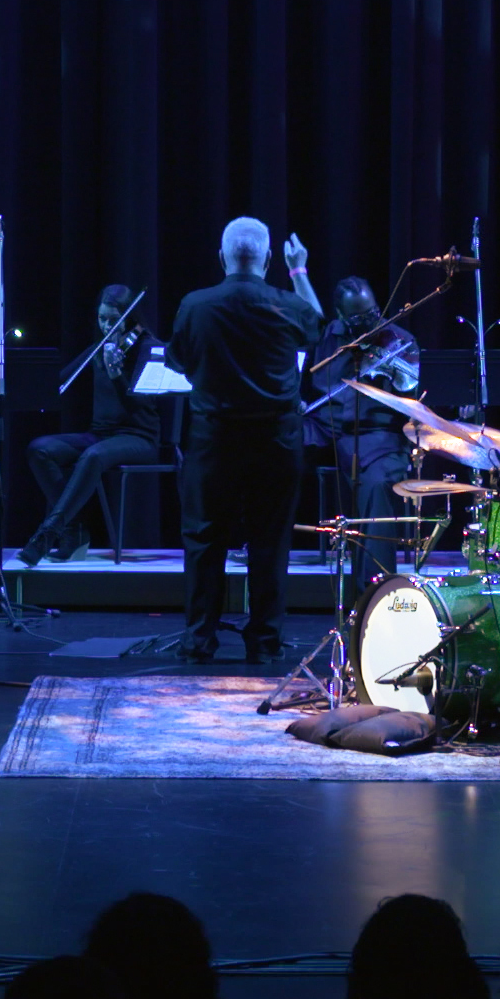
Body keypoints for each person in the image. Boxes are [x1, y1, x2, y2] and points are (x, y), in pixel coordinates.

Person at [167, 217, 322, 664]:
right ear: (270, 260)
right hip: (276, 443)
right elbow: (315, 329)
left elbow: (177, 361)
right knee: (270, 543)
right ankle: (264, 643)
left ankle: (199, 640)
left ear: (222, 258)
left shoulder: (195, 305)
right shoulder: (285, 304)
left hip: (213, 442)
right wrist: (299, 273)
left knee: (203, 541)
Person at [22, 285, 162, 566]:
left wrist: (116, 376)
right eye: (102, 319)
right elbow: (57, 382)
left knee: (94, 455)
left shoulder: (149, 348)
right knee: (40, 449)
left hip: (139, 437)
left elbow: (143, 409)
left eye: (114, 320)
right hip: (101, 435)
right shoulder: (100, 348)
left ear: (130, 317)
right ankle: (74, 531)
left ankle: (49, 532)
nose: (107, 326)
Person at [307, 276, 420, 587]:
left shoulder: (399, 340)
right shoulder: (330, 336)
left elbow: (412, 394)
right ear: (342, 316)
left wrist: (396, 372)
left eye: (372, 313)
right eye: (359, 318)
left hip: (378, 433)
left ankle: (374, 586)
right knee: (273, 448)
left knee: (377, 483)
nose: (370, 322)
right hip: (326, 426)